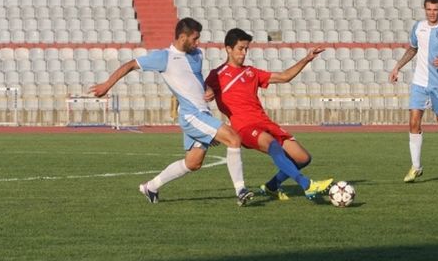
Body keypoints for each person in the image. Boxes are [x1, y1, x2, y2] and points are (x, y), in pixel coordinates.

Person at [89, 18, 254, 206]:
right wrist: (106, 85)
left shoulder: (197, 54)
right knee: (234, 138)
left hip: (203, 113)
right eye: (195, 38)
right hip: (192, 115)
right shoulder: (164, 57)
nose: (198, 43)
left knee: (193, 163)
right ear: (182, 37)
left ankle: (151, 187)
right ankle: (241, 190)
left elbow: (195, 80)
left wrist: (207, 88)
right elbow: (130, 65)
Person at [205, 28, 333, 201]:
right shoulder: (216, 75)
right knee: (273, 146)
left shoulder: (251, 72)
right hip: (244, 127)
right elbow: (201, 100)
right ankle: (307, 185)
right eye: (240, 48)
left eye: (246, 49)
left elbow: (284, 77)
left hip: (265, 123)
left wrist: (307, 59)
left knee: (303, 158)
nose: (244, 53)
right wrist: (210, 130)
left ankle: (271, 186)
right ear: (228, 49)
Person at [388, 0, 438, 183]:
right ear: (424, 9)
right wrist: (397, 67)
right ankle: (416, 166)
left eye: (435, 10)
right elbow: (412, 49)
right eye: (429, 9)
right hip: (419, 83)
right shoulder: (418, 27)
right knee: (414, 122)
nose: (432, 13)